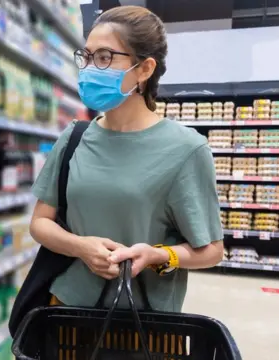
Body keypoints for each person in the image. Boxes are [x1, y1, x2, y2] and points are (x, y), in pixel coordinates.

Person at [30, 5, 224, 311]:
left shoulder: (187, 149)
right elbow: (40, 222)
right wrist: (81, 247)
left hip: (143, 325)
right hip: (66, 311)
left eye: (105, 58)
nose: (90, 69)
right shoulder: (74, 137)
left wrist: (159, 256)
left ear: (145, 69)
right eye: (87, 56)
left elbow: (212, 250)